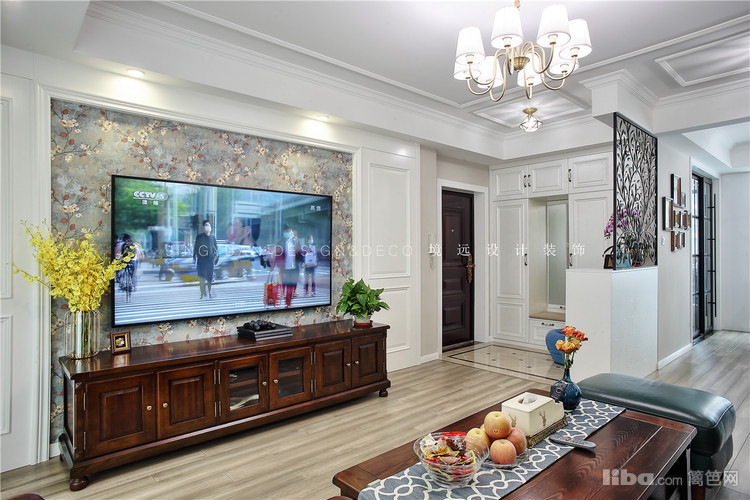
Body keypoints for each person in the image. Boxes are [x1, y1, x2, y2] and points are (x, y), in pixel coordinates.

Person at [273, 224, 302, 308]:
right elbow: (277, 255)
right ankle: (285, 299)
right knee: (284, 284)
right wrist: (275, 264)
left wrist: (302, 261)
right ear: (283, 232)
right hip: (284, 268)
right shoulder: (280, 242)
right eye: (287, 231)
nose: (289, 233)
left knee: (291, 285)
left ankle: (288, 303)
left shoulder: (295, 242)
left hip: (294, 267)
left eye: (290, 231)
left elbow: (300, 253)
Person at [193, 220, 218, 299]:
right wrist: (195, 257)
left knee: (209, 278)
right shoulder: (199, 237)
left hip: (210, 261)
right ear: (203, 227)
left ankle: (209, 292)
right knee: (201, 278)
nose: (208, 227)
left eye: (209, 225)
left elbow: (215, 248)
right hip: (201, 261)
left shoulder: (212, 237)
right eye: (206, 225)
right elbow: (196, 248)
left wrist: (216, 258)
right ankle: (202, 292)